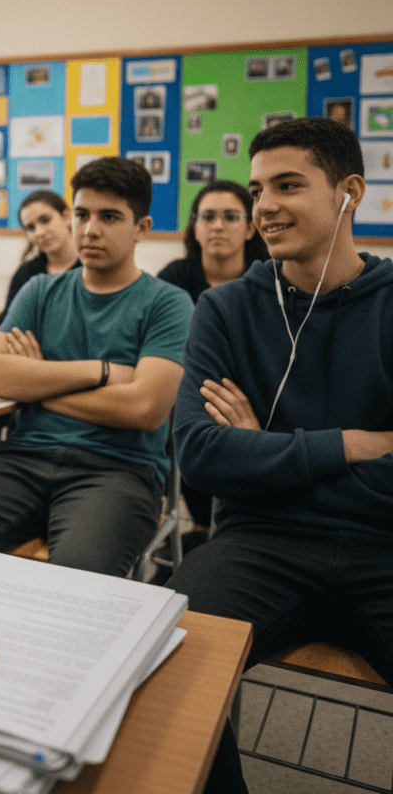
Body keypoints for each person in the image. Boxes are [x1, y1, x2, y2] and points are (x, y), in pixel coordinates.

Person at [167, 117, 393, 794]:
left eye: (287, 185)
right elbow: (202, 457)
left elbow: (233, 460)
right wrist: (349, 446)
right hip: (259, 545)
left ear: (349, 192)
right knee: (157, 660)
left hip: (384, 546)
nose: (263, 207)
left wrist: (264, 452)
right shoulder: (226, 309)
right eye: (259, 188)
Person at [0, 158, 193, 575]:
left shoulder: (167, 303)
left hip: (118, 470)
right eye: (82, 214)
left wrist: (38, 385)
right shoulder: (40, 290)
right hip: (24, 458)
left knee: (77, 576)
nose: (90, 229)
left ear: (142, 228)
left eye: (109, 217)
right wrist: (103, 372)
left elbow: (144, 410)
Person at [158, 181, 268, 546]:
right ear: (195, 226)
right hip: (188, 396)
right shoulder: (175, 278)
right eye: (208, 217)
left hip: (253, 398)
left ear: (250, 226)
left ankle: (245, 527)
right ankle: (202, 529)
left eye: (231, 216)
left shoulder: (270, 278)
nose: (218, 226)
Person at [0, 189, 80, 327]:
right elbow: (7, 325)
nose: (39, 232)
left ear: (66, 216)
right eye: (30, 228)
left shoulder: (93, 267)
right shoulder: (26, 274)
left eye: (45, 220)